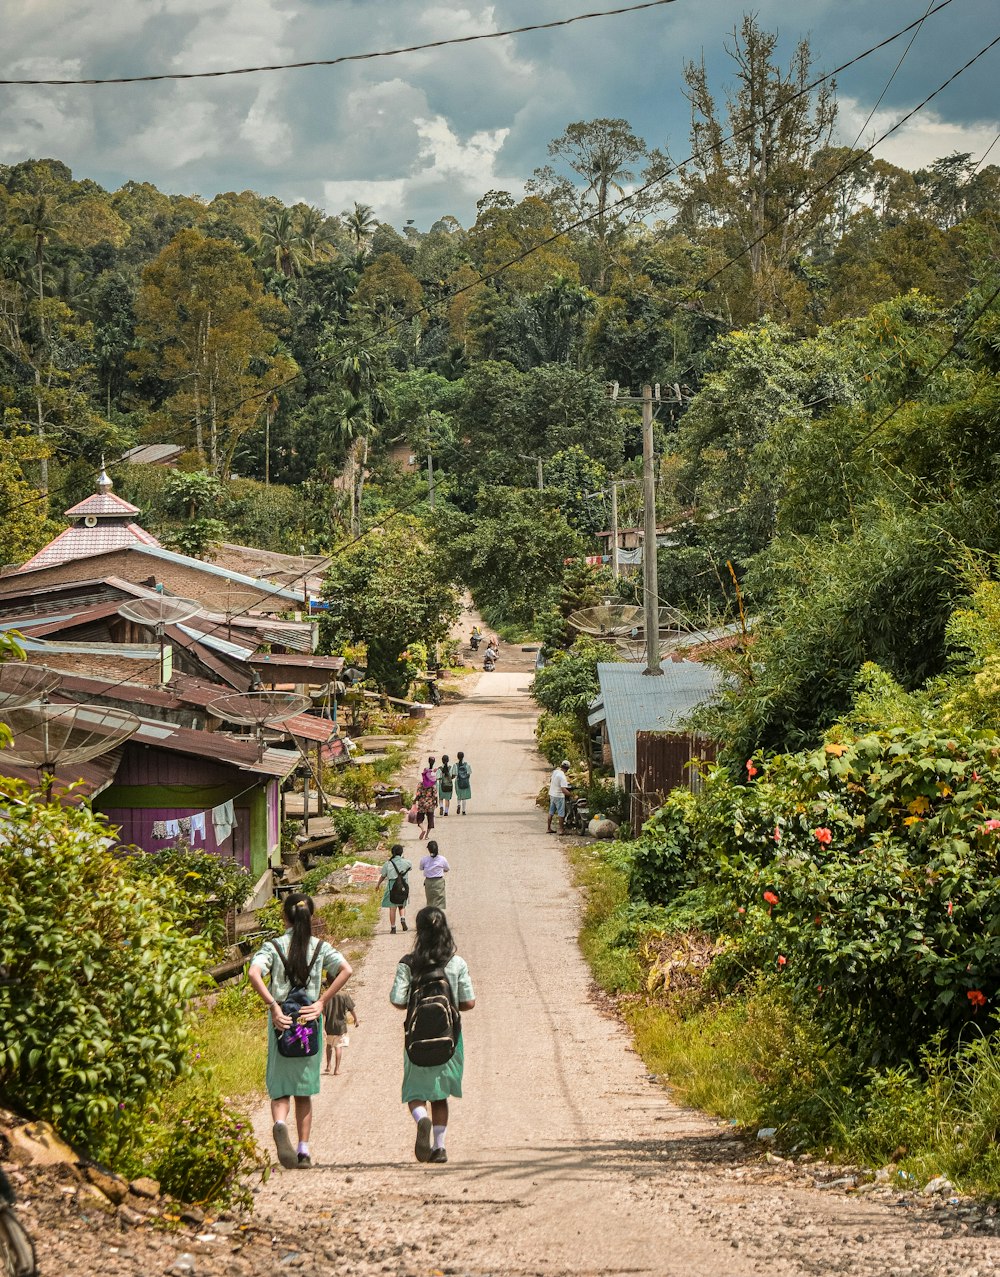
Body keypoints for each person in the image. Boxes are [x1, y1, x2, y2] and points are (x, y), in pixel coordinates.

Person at [248, 892, 352, 1170]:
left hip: (282, 1021)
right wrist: (321, 1002)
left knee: (281, 1089)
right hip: (308, 1022)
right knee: (303, 1092)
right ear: (311, 916)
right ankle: (304, 1150)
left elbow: (253, 973)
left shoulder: (274, 946)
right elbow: (346, 969)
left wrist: (272, 1005)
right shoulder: (321, 948)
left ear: (285, 917)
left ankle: (280, 1124)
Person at [390, 907, 475, 1164]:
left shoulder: (408, 963)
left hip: (416, 1039)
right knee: (440, 1096)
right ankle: (439, 1147)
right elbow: (469, 1002)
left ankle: (421, 1119)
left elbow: (397, 1001)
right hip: (449, 1037)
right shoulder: (456, 963)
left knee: (416, 1092)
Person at [377, 844, 412, 933]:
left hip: (392, 885)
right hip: (403, 885)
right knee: (402, 905)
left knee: (392, 908)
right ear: (401, 853)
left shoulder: (388, 864)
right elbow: (410, 867)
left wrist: (378, 885)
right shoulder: (407, 862)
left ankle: (393, 927)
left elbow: (383, 876)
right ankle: (402, 918)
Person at [323, 989, 359, 1075]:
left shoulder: (326, 995)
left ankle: (328, 1065)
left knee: (329, 1046)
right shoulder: (344, 995)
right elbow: (351, 1008)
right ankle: (337, 1069)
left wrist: (323, 1027)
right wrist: (356, 1019)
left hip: (329, 1026)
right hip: (340, 1026)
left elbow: (323, 1014)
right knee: (338, 1047)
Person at [419, 839, 450, 910]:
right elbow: (447, 869)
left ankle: (431, 917)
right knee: (439, 902)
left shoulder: (424, 859)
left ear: (429, 850)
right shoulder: (442, 859)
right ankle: (438, 918)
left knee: (430, 901)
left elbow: (421, 868)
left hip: (428, 882)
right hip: (439, 882)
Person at [547, 758, 572, 835]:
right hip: (559, 796)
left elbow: (551, 781)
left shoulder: (555, 772)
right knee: (561, 814)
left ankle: (548, 828)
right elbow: (563, 790)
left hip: (552, 794)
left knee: (551, 812)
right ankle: (561, 830)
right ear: (567, 769)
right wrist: (571, 795)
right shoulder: (563, 777)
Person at [416, 757, 438, 839]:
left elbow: (418, 794)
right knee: (430, 820)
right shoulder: (433, 786)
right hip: (430, 804)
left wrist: (415, 801)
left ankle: (422, 829)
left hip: (422, 803)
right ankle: (427, 836)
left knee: (419, 819)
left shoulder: (420, 784)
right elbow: (435, 795)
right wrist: (436, 803)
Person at [454, 751, 472, 815]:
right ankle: (463, 811)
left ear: (457, 757)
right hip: (465, 781)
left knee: (459, 795)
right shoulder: (466, 764)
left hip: (458, 780)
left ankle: (458, 805)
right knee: (464, 797)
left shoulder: (455, 765)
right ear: (463, 756)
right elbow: (469, 773)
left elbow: (454, 773)